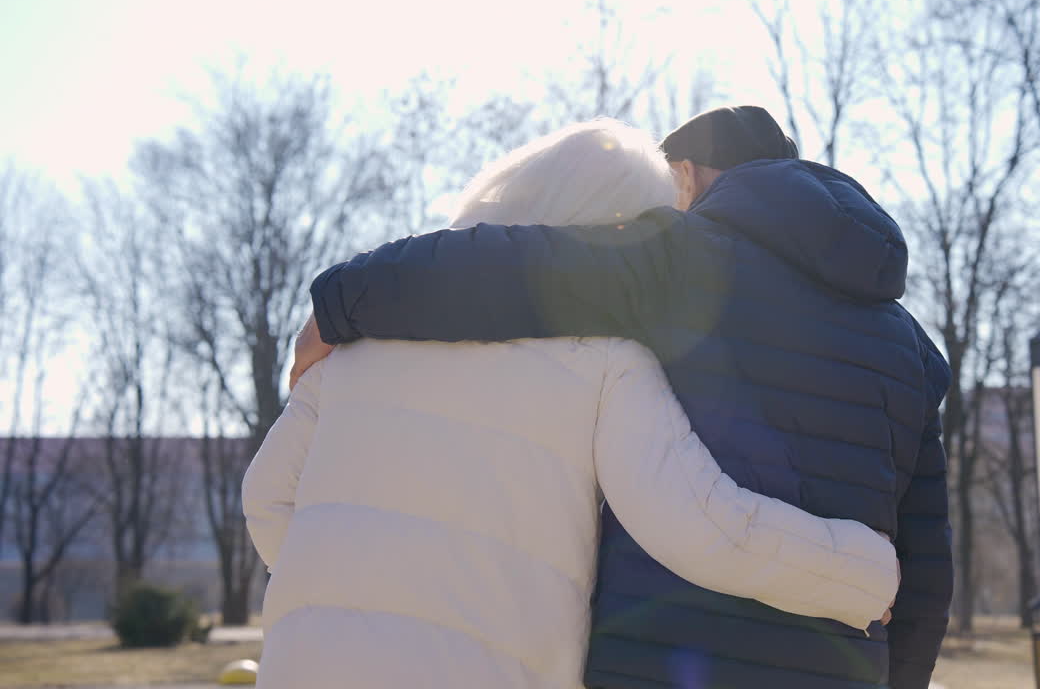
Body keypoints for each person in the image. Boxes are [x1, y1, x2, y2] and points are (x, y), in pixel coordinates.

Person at [292, 106, 953, 689]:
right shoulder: (910, 346)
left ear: (688, 175)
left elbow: (506, 269)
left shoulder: (686, 257)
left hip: (668, 662)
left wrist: (338, 303)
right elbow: (927, 564)